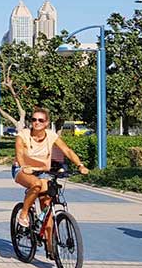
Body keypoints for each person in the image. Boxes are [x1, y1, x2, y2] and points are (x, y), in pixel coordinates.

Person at [13, 108, 89, 253]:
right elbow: (19, 153)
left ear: (47, 123)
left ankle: (51, 248)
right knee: (36, 184)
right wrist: (24, 166)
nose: (36, 122)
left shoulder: (51, 136)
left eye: (40, 120)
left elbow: (67, 150)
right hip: (22, 170)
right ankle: (23, 214)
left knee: (47, 204)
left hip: (42, 171)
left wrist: (80, 165)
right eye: (34, 119)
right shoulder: (23, 135)